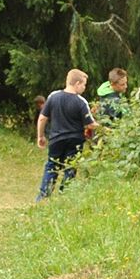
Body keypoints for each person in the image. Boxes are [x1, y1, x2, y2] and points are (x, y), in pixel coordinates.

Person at [36, 69, 97, 200]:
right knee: (70, 167)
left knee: (52, 166)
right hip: (75, 141)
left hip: (56, 139)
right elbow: (90, 124)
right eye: (84, 84)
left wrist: (40, 136)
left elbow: (42, 118)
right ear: (77, 83)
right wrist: (105, 128)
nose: (84, 88)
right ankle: (65, 197)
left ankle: (43, 197)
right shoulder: (81, 102)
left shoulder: (53, 97)